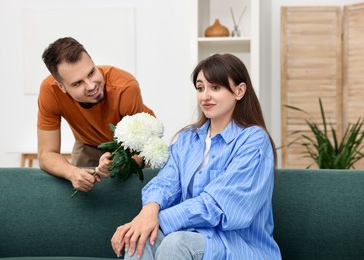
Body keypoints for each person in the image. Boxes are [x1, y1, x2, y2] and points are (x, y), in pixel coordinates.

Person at [111, 53, 281, 259]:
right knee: (141, 239)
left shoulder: (253, 140)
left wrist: (158, 219)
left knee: (175, 243)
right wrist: (148, 212)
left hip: (240, 246)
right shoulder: (187, 139)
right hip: (192, 237)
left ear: (239, 91)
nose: (205, 96)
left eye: (215, 87)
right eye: (200, 88)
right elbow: (166, 183)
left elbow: (220, 205)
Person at [37, 37, 154, 193]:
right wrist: (72, 173)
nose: (91, 86)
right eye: (78, 83)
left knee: (131, 194)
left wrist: (117, 164)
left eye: (91, 72)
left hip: (133, 145)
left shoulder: (125, 87)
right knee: (82, 191)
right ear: (61, 86)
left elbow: (140, 147)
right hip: (87, 144)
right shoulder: (50, 91)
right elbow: (46, 154)